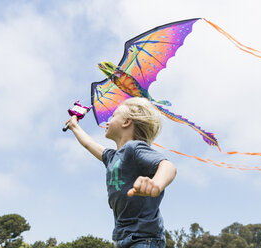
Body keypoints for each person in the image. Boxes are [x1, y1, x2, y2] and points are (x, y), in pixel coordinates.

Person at [66, 97, 177, 248]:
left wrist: (156, 184)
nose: (107, 121)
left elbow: (168, 166)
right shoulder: (112, 156)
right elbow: (89, 143)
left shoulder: (134, 148)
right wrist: (74, 126)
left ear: (126, 122)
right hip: (123, 237)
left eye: (113, 116)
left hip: (144, 238)